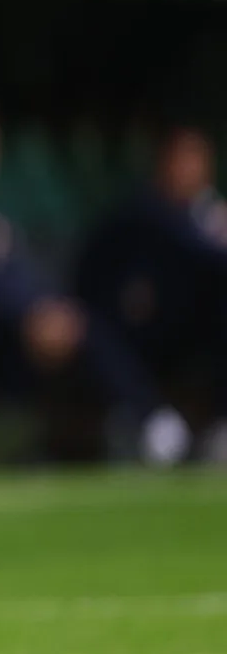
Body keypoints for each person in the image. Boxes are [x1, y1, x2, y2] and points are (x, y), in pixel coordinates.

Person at [0, 100, 161, 463]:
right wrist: (29, 317)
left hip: (10, 331)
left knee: (76, 322)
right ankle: (147, 420)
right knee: (60, 332)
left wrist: (45, 309)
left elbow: (19, 274)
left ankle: (135, 424)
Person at [75, 125, 227, 465]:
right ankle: (151, 421)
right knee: (95, 331)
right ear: (162, 163)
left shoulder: (206, 217)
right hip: (135, 336)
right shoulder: (136, 215)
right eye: (180, 159)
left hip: (189, 339)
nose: (187, 170)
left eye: (196, 160)